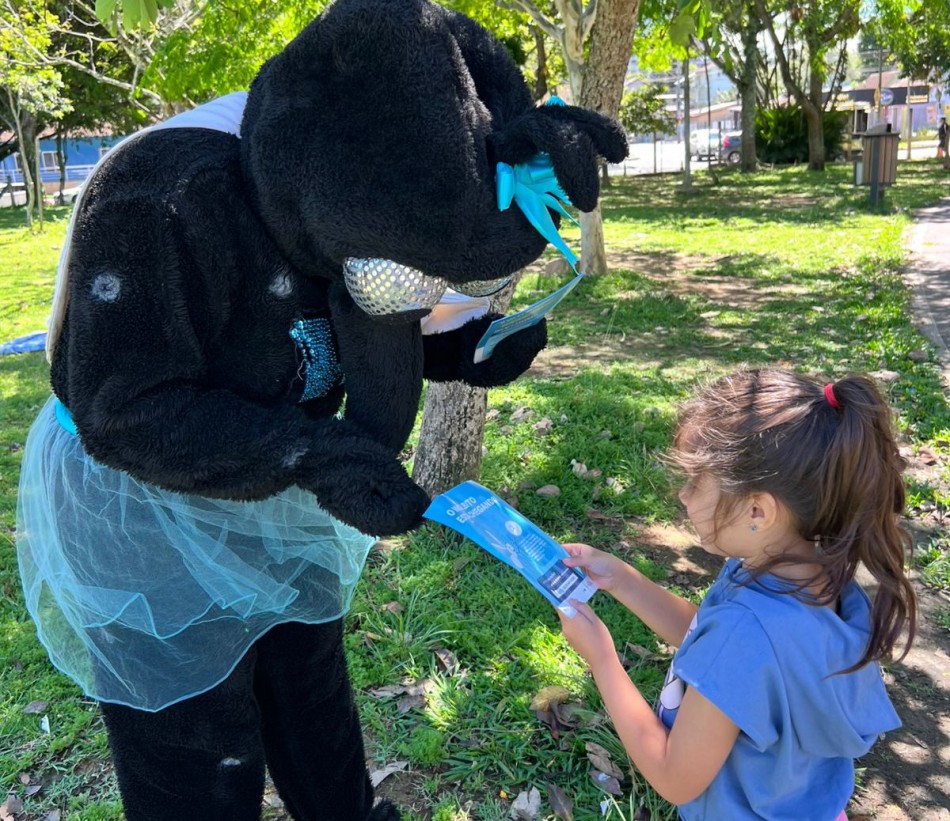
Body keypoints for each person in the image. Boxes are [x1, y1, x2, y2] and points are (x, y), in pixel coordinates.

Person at [556, 368, 917, 820]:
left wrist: (602, 659)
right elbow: (713, 648)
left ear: (758, 510)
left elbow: (674, 777)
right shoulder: (815, 576)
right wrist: (624, 580)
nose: (683, 498)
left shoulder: (745, 632)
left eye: (695, 483)